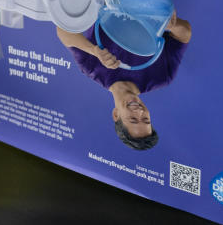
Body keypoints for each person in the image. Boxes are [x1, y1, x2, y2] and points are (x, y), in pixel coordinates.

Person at [56, 12, 191, 150]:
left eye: (133, 119)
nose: (139, 112)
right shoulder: (161, 77)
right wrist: (171, 24)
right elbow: (185, 33)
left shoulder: (92, 69)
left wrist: (94, 50)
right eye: (146, 119)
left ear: (116, 114)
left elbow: (62, 30)